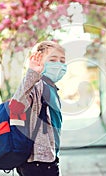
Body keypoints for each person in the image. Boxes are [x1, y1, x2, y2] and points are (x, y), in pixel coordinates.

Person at [9, 41, 67, 176]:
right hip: (36, 162)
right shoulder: (37, 85)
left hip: (48, 159)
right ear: (40, 61)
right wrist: (32, 73)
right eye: (53, 60)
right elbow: (17, 104)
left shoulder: (51, 87)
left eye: (62, 60)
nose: (59, 64)